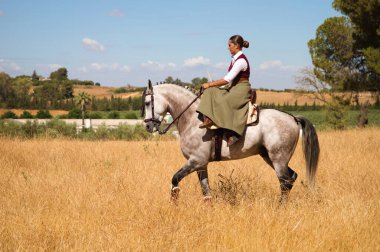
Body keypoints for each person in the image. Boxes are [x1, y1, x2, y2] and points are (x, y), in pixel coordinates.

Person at [197, 35, 251, 146]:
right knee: (210, 91)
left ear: (236, 46)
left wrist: (209, 84)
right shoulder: (235, 58)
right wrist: (211, 87)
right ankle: (208, 118)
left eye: (229, 45)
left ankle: (233, 132)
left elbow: (227, 79)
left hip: (241, 88)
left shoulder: (241, 61)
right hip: (234, 85)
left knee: (223, 100)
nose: (228, 48)